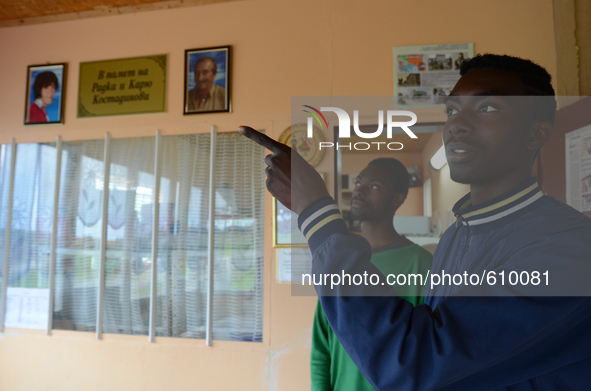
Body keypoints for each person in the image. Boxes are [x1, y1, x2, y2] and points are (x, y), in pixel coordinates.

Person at [240, 53, 591, 390]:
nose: (457, 125)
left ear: (535, 134)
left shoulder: (570, 248)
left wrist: (315, 210)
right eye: (452, 110)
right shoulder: (458, 235)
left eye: (487, 107)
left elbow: (413, 362)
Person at [311, 158, 432, 391]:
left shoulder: (422, 266)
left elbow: (427, 355)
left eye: (374, 186)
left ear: (398, 198)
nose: (359, 190)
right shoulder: (341, 261)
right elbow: (322, 347)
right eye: (358, 182)